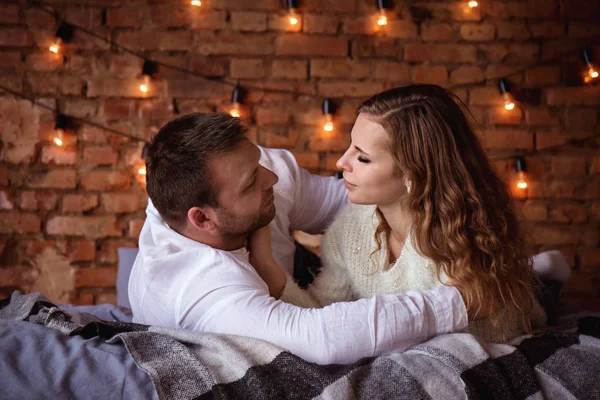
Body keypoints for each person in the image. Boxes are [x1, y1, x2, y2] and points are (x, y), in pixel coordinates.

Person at [128, 112, 469, 365]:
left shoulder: (254, 172)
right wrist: (460, 301)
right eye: (251, 183)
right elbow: (320, 338)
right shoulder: (200, 288)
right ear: (202, 219)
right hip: (265, 302)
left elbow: (354, 201)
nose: (272, 177)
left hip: (293, 272)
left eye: (259, 163)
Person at [254, 84, 568, 342]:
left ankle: (542, 276)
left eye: (362, 158)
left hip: (509, 324)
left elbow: (472, 339)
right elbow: (322, 315)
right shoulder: (350, 227)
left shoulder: (456, 239)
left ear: (412, 175)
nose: (341, 163)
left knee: (537, 297)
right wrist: (264, 258)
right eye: (351, 146)